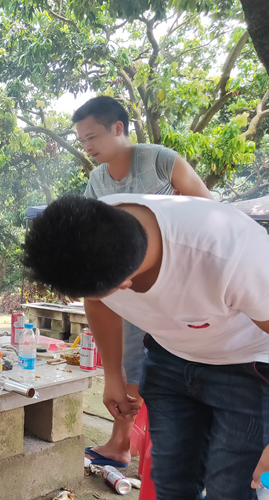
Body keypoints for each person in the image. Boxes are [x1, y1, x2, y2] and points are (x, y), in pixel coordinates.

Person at [24, 194, 269, 500]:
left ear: (124, 284)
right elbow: (97, 300)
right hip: (169, 359)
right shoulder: (86, 234)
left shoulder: (231, 252)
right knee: (172, 484)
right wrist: (113, 375)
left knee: (234, 499)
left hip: (248, 366)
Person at [74, 96, 213, 468]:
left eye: (92, 137)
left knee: (171, 365)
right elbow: (89, 229)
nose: (87, 147)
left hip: (172, 283)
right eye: (82, 141)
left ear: (118, 128)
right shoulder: (97, 179)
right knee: (131, 358)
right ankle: (122, 443)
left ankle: (145, 446)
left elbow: (208, 208)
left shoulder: (160, 160)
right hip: (126, 284)